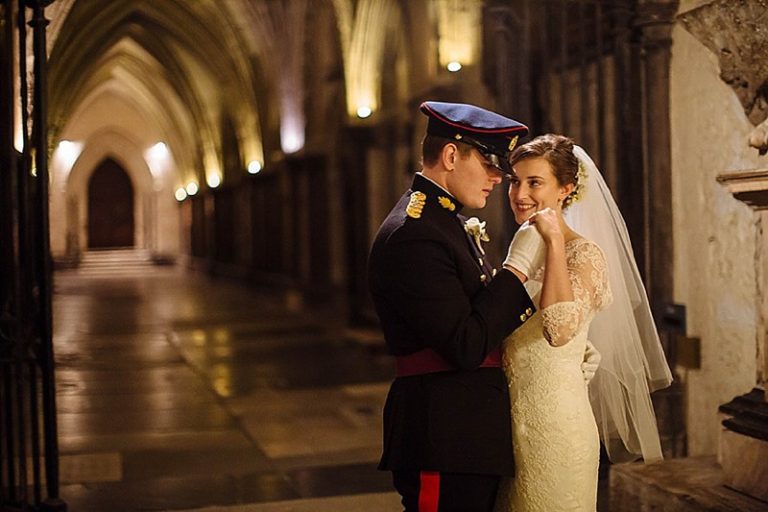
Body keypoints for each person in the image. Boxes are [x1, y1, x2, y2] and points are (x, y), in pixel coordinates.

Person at [368, 102, 600, 512]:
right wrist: (517, 269)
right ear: (451, 155)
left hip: (470, 434)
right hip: (442, 432)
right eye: (491, 163)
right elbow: (466, 343)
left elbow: (479, 317)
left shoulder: (443, 222)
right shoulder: (415, 233)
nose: (499, 179)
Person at [494, 134, 673, 511]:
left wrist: (556, 243)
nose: (519, 193)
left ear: (566, 189)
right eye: (515, 180)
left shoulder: (585, 254)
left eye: (534, 182)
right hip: (508, 425)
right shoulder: (524, 245)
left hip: (556, 426)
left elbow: (558, 330)